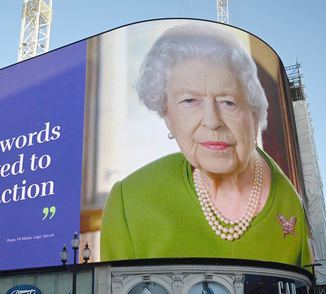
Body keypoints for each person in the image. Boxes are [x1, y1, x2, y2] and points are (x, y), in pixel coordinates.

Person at [100, 22, 311, 267]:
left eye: (228, 102)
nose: (211, 122)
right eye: (189, 100)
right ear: (168, 116)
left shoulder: (289, 202)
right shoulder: (130, 202)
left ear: (254, 113)